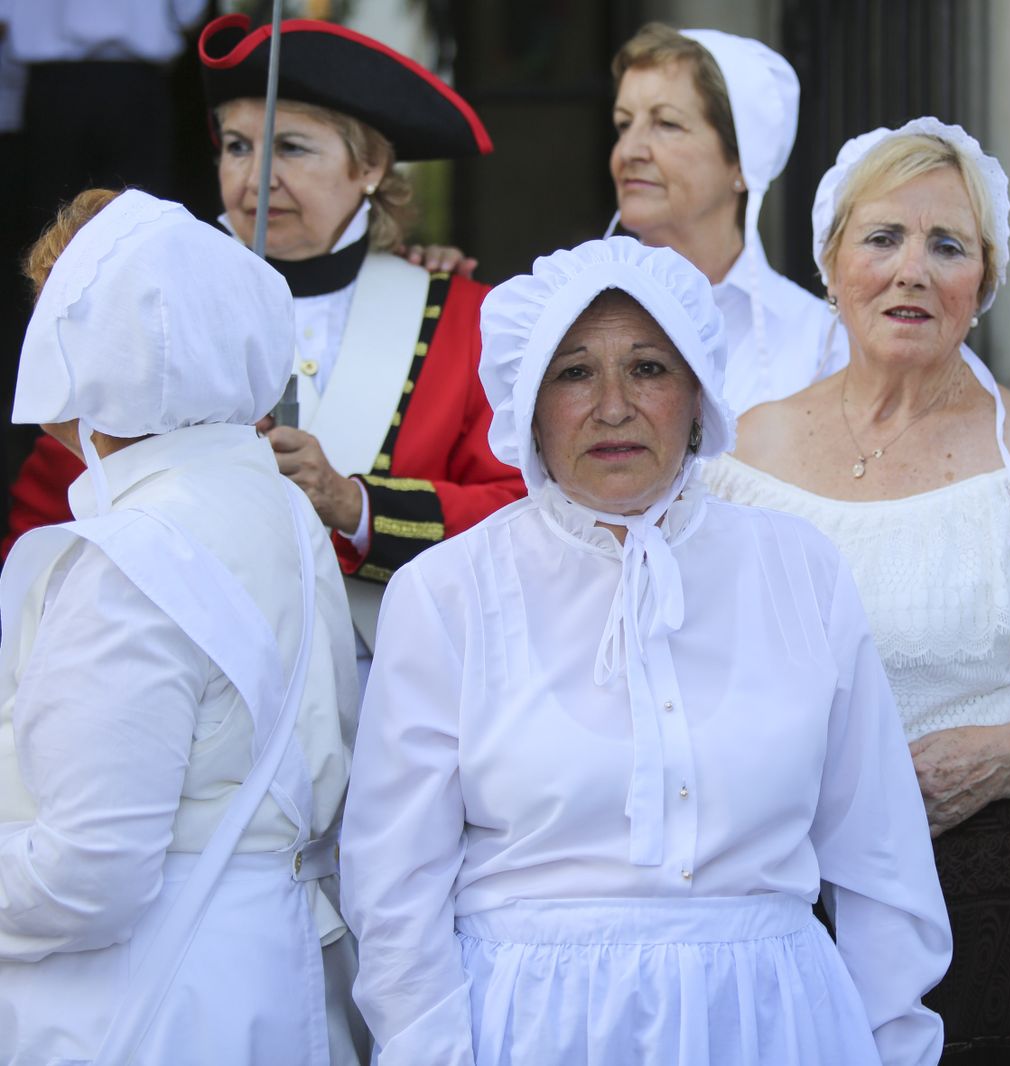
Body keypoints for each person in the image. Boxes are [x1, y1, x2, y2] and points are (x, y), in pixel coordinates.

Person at [339, 236, 951, 1065]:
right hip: (528, 1033)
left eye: (650, 368)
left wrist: (894, 1044)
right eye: (574, 372)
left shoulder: (799, 569)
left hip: (774, 1027)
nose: (613, 406)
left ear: (700, 393)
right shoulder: (448, 593)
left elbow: (879, 856)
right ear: (526, 405)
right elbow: (394, 893)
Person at [703, 117, 1010, 1063]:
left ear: (982, 284)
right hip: (782, 910)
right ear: (831, 263)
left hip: (996, 915)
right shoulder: (735, 458)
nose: (911, 269)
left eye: (946, 244)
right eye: (883, 237)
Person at [5, 14, 524, 668]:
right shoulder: (140, 310)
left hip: (393, 691)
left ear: (370, 166)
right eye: (238, 146)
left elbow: (520, 517)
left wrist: (354, 504)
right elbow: (49, 517)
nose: (255, 180)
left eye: (293, 148)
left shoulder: (462, 316)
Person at [0, 189, 359, 1064]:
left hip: (155, 995)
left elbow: (87, 874)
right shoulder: (278, 504)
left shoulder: (132, 559)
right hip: (271, 967)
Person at [607, 22, 847, 413]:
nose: (629, 150)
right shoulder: (576, 308)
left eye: (666, 124)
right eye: (623, 124)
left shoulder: (819, 341)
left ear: (741, 161)